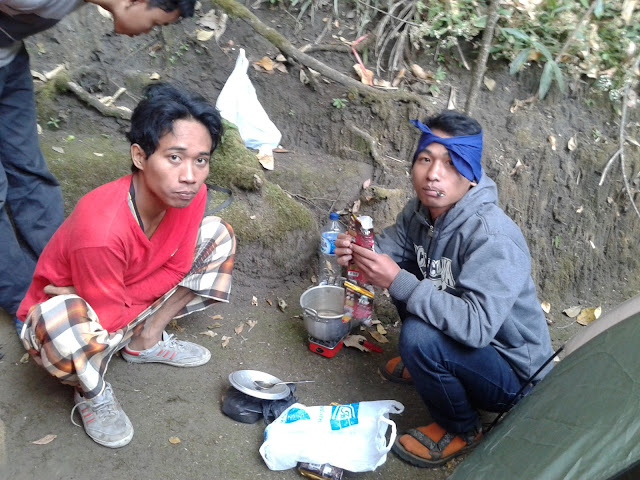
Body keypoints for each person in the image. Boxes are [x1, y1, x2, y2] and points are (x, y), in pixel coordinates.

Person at [15, 82, 236, 448]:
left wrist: (121, 298)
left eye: (202, 160)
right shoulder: (100, 229)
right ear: (139, 156)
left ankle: (145, 341)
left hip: (115, 301)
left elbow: (178, 266)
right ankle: (92, 392)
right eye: (175, 157)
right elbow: (108, 319)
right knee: (63, 322)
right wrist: (96, 301)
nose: (191, 176)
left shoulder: (190, 196)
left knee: (218, 235)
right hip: (71, 317)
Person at [335, 110, 554, 468]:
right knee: (404, 270)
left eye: (451, 164)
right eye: (425, 159)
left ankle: (462, 428)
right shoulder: (420, 212)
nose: (433, 173)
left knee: (419, 335)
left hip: (514, 375)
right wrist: (359, 251)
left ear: (470, 175)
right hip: (470, 344)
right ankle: (433, 367)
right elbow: (391, 250)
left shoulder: (493, 237)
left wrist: (394, 278)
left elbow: (477, 326)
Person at [0, 0, 197, 331]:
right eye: (154, 22)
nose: (148, 32)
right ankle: (29, 307)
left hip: (9, 61)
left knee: (29, 172)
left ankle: (61, 274)